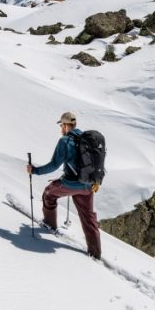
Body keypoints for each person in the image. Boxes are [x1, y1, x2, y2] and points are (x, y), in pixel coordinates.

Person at [25, 111, 102, 260]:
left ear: (66, 125)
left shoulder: (65, 141)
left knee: (49, 194)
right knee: (88, 216)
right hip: (88, 186)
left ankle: (49, 225)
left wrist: (34, 170)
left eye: (61, 125)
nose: (61, 128)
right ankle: (95, 253)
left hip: (71, 184)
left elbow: (53, 165)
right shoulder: (87, 139)